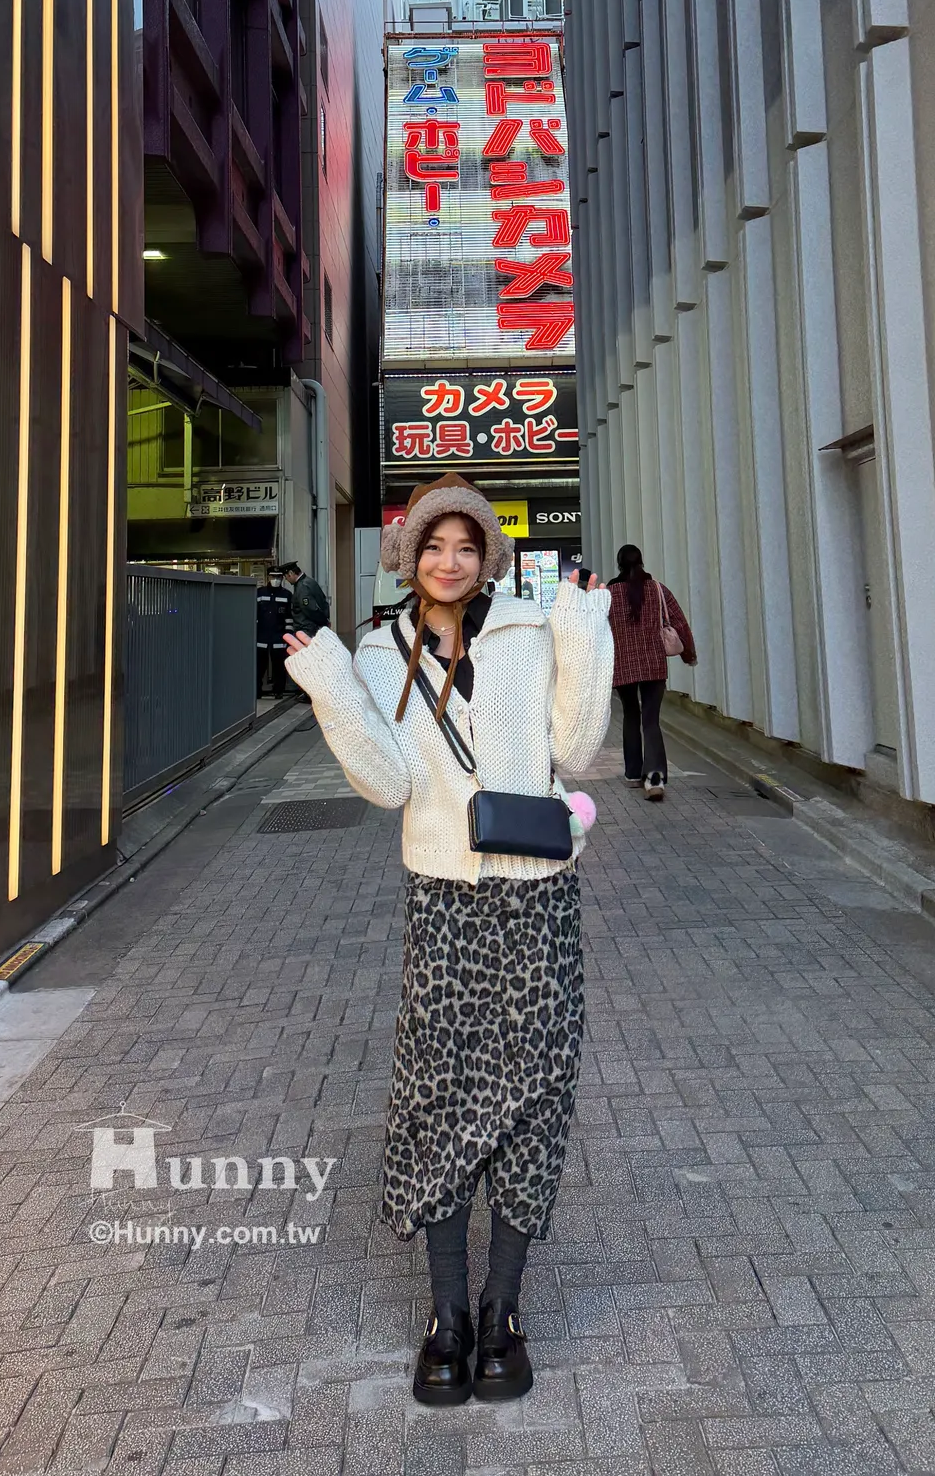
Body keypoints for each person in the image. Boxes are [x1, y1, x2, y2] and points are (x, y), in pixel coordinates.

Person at [284, 472, 612, 1408]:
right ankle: (447, 1317)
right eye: (435, 545)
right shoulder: (378, 651)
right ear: (409, 554)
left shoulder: (527, 631)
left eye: (468, 547)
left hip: (539, 895)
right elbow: (388, 783)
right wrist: (330, 681)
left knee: (537, 1090)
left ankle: (503, 1310)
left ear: (487, 559)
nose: (450, 561)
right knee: (439, 1093)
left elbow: (576, 748)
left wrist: (583, 628)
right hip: (442, 898)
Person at [607, 545, 696, 800]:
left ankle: (633, 773)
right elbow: (679, 622)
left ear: (619, 564)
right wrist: (689, 654)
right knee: (651, 719)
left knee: (630, 715)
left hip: (623, 665)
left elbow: (598, 630)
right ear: (641, 562)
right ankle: (654, 777)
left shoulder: (609, 594)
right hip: (654, 664)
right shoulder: (657, 590)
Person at [255, 567, 294, 698]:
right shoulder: (259, 593)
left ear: (282, 578)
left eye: (278, 577)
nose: (275, 579)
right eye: (273, 577)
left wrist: (288, 637)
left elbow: (289, 618)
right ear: (268, 577)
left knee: (279, 667)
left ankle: (278, 691)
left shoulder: (287, 595)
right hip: (261, 637)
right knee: (259, 667)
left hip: (279, 638)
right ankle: (257, 691)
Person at [283, 559, 331, 635]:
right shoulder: (309, 581)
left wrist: (323, 621)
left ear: (291, 573)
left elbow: (309, 608)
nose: (286, 580)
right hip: (311, 627)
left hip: (306, 628)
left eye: (286, 577)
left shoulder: (302, 586)